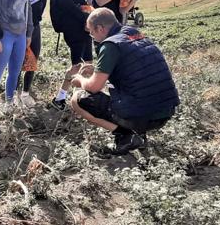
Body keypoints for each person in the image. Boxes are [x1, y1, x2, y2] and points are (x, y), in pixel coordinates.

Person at [70, 8, 180, 154]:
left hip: (143, 113)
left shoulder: (110, 45)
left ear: (100, 28)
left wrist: (80, 80)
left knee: (77, 99)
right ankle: (137, 132)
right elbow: (132, 69)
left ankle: (126, 135)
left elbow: (94, 87)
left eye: (91, 31)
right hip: (166, 110)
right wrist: (98, 70)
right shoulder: (133, 33)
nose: (91, 36)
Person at [48, 0, 92, 110]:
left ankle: (83, 95)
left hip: (84, 32)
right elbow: (79, 13)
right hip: (74, 35)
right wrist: (88, 16)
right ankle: (59, 97)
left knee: (89, 63)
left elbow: (85, 7)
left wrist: (88, 13)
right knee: (76, 66)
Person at [18, 0, 47, 106]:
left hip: (35, 29)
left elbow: (40, 12)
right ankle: (13, 94)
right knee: (16, 62)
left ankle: (25, 93)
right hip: (18, 30)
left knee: (32, 61)